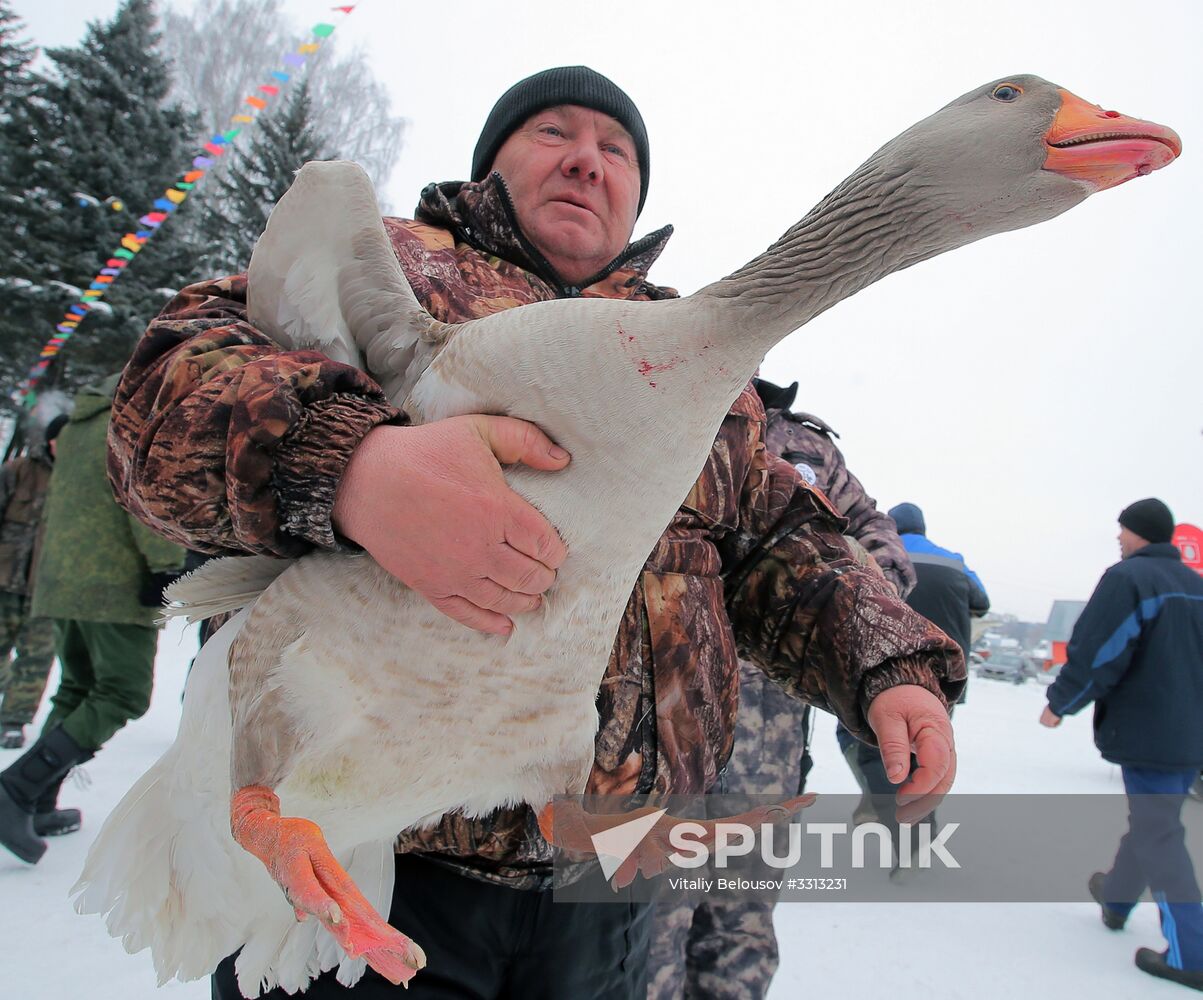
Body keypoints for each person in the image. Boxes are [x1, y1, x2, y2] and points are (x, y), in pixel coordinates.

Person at [106, 66, 965, 998]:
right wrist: (348, 464)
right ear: (492, 162)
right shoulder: (395, 267)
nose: (588, 162)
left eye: (617, 150)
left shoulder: (705, 373)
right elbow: (163, 396)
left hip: (603, 885)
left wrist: (885, 667)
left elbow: (777, 540)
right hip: (385, 860)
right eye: (555, 132)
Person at [647, 377, 917, 1000]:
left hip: (766, 742)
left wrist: (818, 590)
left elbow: (883, 554)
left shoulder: (808, 448)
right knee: (649, 920)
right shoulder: (664, 408)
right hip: (661, 729)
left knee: (740, 921)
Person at [0, 374, 186, 864]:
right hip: (114, 583)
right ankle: (17, 788)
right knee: (122, 692)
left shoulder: (83, 422)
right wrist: (164, 564)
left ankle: (38, 801)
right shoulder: (134, 419)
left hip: (63, 579)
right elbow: (144, 497)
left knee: (78, 686)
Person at [1041, 497, 1203, 991]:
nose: (1118, 537)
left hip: (1150, 729)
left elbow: (1100, 650)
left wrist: (1060, 702)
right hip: (1190, 734)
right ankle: (1116, 897)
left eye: (1123, 530)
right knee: (1156, 819)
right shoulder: (1196, 586)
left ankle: (1192, 952)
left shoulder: (1129, 578)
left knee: (1157, 832)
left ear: (1139, 534)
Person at [834, 501, 989, 873]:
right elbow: (981, 604)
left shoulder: (882, 554)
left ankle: (897, 820)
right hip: (944, 676)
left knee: (874, 750)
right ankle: (919, 820)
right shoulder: (954, 561)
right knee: (925, 745)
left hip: (883, 669)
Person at [0, 413, 66, 750]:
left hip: (47, 589)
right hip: (5, 580)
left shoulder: (78, 483)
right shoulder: (17, 472)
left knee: (36, 657)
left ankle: (14, 720)